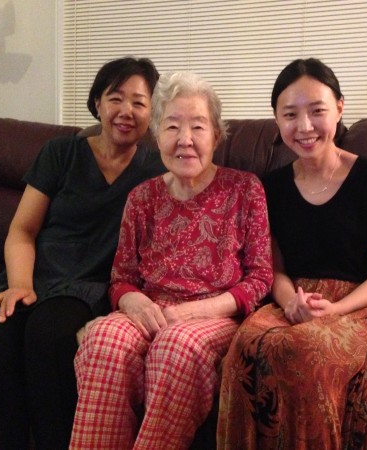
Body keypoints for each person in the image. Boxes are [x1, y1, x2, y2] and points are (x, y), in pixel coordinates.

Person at [0, 57, 166, 450]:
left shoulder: (157, 171)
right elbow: (22, 230)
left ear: (151, 113)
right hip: (35, 273)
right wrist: (20, 286)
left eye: (139, 102)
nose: (126, 110)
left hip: (90, 284)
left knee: (50, 335)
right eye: (116, 98)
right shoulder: (60, 153)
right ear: (98, 103)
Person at [69, 71, 273, 450]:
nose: (185, 139)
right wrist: (133, 301)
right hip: (152, 311)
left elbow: (260, 278)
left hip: (215, 316)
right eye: (172, 126)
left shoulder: (245, 189)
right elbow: (121, 278)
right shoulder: (141, 198)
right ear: (157, 134)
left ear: (216, 135)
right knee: (103, 340)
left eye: (198, 126)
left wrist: (195, 311)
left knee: (175, 346)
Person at [217, 58, 367, 450]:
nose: (304, 127)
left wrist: (334, 310)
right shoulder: (270, 187)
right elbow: (274, 268)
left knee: (304, 351)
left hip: (356, 307)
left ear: (339, 108)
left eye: (317, 111)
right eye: (290, 115)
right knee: (243, 349)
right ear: (277, 119)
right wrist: (291, 302)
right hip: (292, 302)